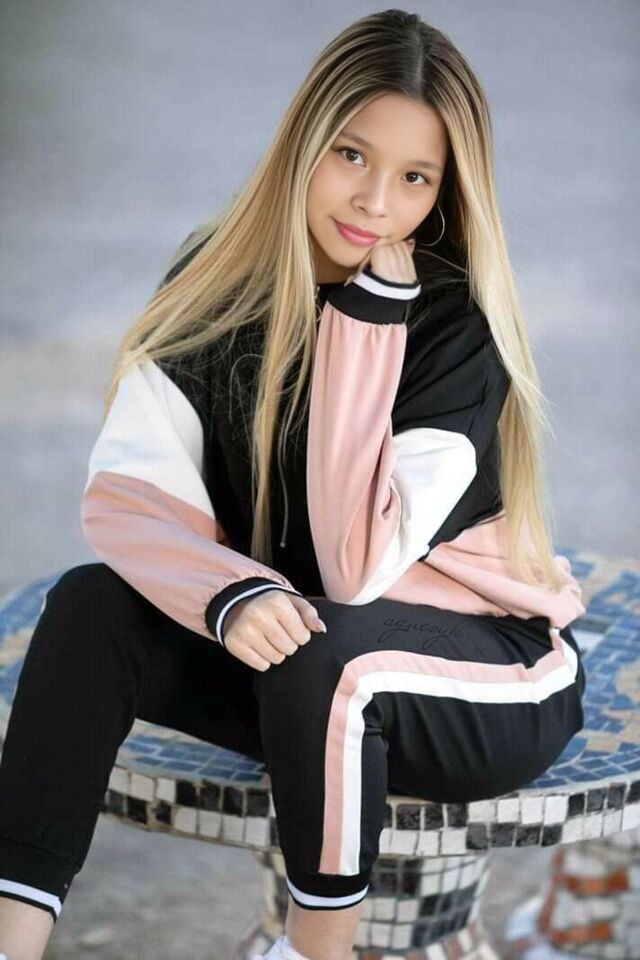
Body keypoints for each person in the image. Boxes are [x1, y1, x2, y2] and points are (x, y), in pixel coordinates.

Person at [0, 9, 588, 960]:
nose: (375, 202)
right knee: (88, 607)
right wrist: (229, 593)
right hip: (306, 655)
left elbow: (354, 566)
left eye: (414, 177)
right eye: (352, 155)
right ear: (305, 140)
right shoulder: (217, 280)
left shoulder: (449, 327)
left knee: (326, 650)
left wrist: (370, 319)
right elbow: (128, 500)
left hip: (490, 676)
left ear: (444, 192)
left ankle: (311, 953)